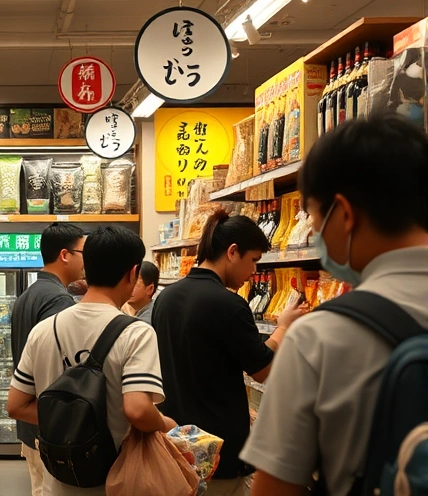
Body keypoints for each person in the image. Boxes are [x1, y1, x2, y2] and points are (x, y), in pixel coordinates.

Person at [242, 116, 428, 496]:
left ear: (344, 213)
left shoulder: (319, 338)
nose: (311, 231)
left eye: (311, 214)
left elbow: (274, 491)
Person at [7, 226, 174, 496]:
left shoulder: (44, 330)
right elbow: (138, 410)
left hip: (59, 480)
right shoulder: (137, 333)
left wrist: (67, 419)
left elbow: (15, 405)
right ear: (133, 273)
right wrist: (166, 424)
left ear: (87, 268)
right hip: (116, 481)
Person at [151, 211, 305, 496]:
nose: (251, 273)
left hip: (176, 446)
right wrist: (283, 328)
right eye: (254, 261)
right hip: (217, 452)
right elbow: (262, 369)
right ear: (233, 252)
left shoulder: (165, 298)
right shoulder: (229, 304)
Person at [10, 223, 83, 496]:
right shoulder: (59, 302)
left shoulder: (27, 296)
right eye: (83, 252)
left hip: (31, 423)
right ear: (65, 255)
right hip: (50, 428)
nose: (86, 261)